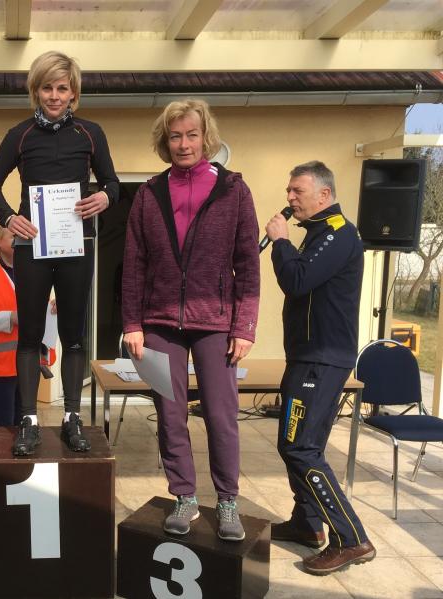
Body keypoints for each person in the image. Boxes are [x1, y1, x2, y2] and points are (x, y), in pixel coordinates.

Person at [122, 99, 260, 541]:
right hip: (159, 323)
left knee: (221, 415)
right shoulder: (148, 193)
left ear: (206, 138)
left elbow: (248, 263)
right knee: (169, 414)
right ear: (165, 141)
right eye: (175, 136)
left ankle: (227, 501)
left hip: (215, 323)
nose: (184, 144)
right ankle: (184, 495)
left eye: (192, 135)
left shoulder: (234, 190)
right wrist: (132, 323)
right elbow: (134, 264)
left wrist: (244, 326)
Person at [0, 50, 119, 455]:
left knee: (73, 334)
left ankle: (72, 416)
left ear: (74, 93)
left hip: (76, 244)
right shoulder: (20, 134)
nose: (55, 96)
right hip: (32, 246)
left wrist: (105, 198)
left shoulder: (91, 133)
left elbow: (111, 182)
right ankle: (28, 420)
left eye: (62, 88)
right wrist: (9, 217)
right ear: (35, 91)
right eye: (47, 88)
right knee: (30, 334)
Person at [265, 160, 375, 574]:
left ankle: (351, 538)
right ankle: (308, 523)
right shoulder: (319, 234)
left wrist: (280, 242)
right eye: (289, 190)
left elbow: (296, 281)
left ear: (324, 195)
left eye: (298, 190)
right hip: (307, 356)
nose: (290, 197)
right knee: (297, 444)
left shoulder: (338, 233)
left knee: (301, 448)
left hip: (321, 359)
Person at [0, 221, 57, 427]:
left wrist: (53, 306)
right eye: (14, 237)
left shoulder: (36, 269)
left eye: (25, 238)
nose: (21, 242)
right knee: (2, 425)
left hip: (29, 361)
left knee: (25, 422)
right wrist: (11, 318)